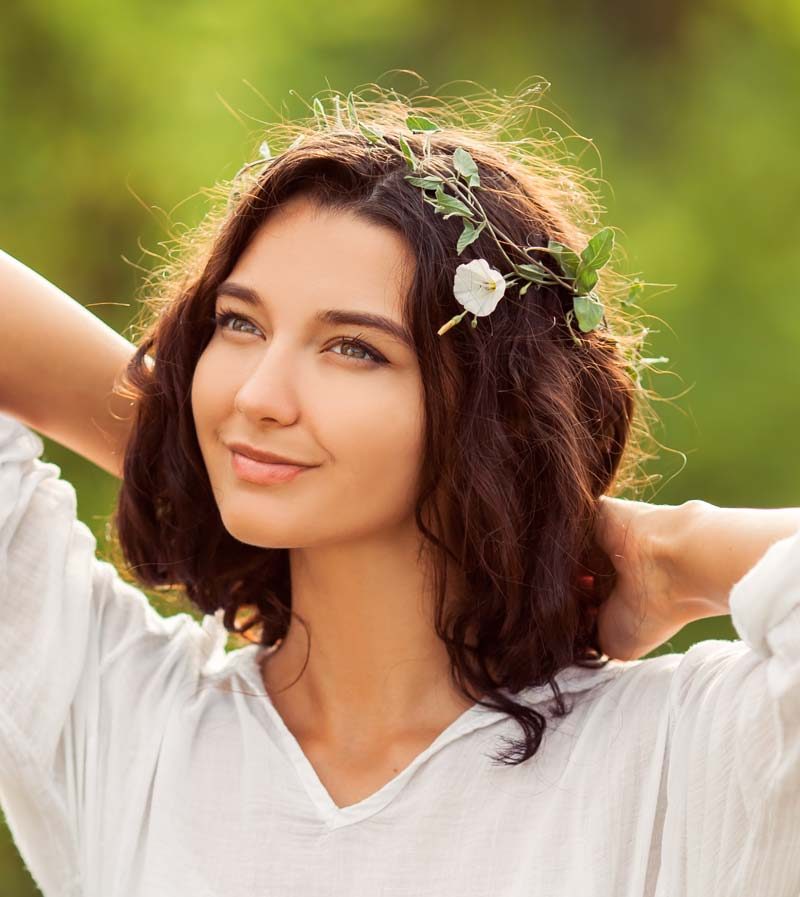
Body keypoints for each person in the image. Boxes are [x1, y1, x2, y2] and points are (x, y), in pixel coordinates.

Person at [1, 86, 798, 897]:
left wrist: (670, 552)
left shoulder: (680, 760)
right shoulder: (124, 722)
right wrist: (178, 449)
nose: (258, 394)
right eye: (241, 324)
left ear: (489, 415)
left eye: (352, 347)